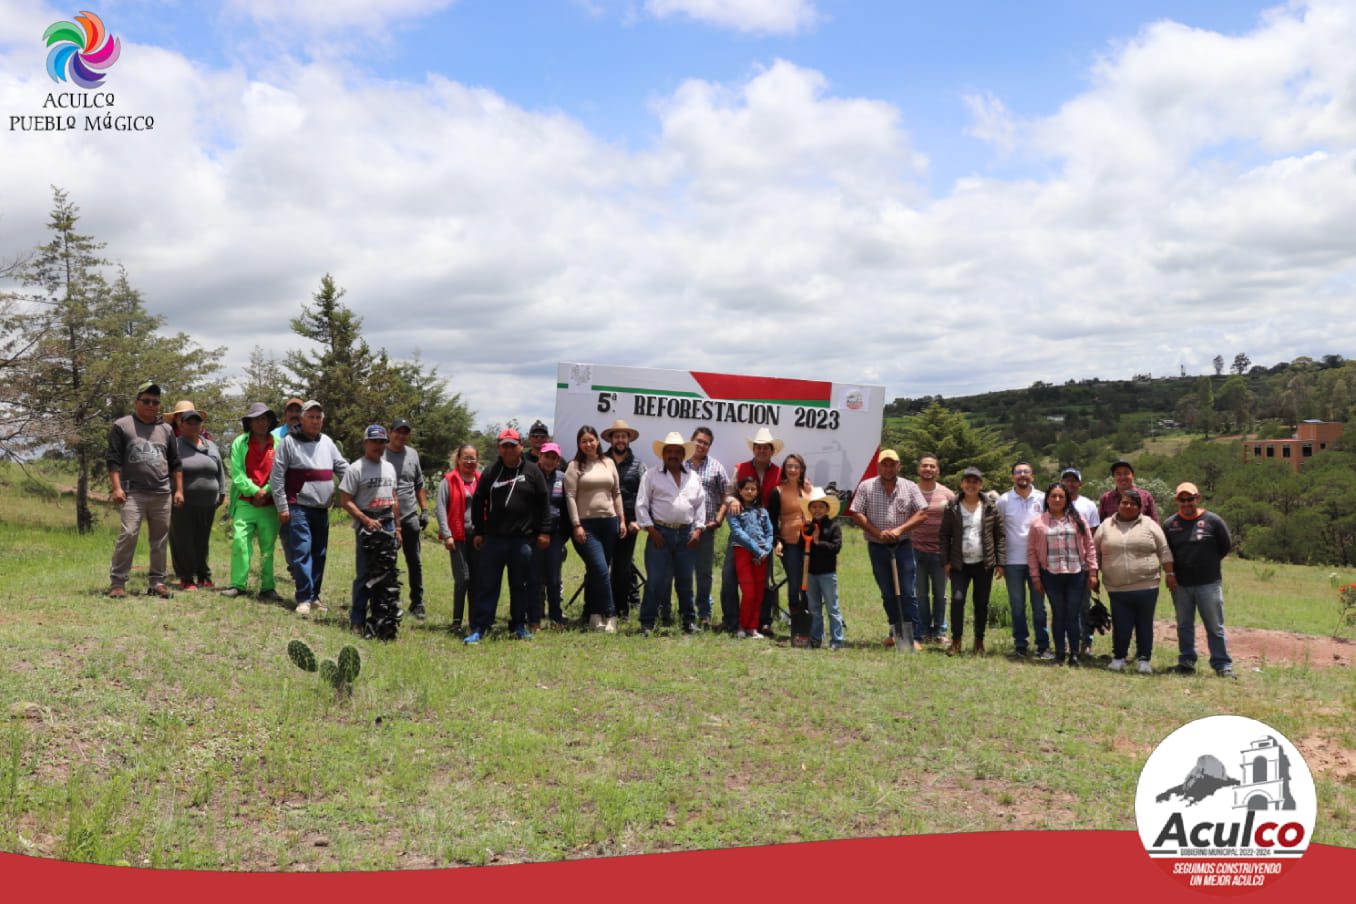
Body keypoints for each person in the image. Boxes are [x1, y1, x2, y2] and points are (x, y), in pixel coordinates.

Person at [466, 428, 550, 644]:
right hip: (494, 539)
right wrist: (479, 530)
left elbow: (543, 503)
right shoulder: (491, 471)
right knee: (488, 584)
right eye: (505, 445)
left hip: (523, 539)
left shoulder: (533, 471)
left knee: (520, 585)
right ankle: (481, 626)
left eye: (513, 445)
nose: (509, 449)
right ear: (499, 448)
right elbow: (478, 501)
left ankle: (518, 625)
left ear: (521, 446)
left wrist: (544, 531)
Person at [106, 380, 184, 598]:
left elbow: (175, 462)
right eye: (147, 401)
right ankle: (118, 583)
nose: (151, 405)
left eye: (156, 402)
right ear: (137, 402)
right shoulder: (122, 426)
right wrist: (117, 488)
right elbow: (113, 460)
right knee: (128, 534)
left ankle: (157, 581)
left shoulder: (166, 430)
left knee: (159, 538)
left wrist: (179, 490)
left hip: (161, 493)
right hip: (133, 493)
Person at [270, 400, 348, 616]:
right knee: (302, 551)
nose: (315, 421)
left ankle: (314, 597)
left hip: (322, 508)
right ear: (302, 419)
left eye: (318, 417)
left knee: (319, 553)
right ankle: (304, 597)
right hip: (298, 506)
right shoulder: (289, 442)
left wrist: (361, 482)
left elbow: (343, 467)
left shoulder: (328, 443)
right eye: (310, 417)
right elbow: (276, 477)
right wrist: (282, 506)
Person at [848, 449, 929, 650]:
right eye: (885, 464)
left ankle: (914, 637)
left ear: (898, 466)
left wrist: (899, 530)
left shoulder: (909, 487)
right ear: (879, 466)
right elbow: (856, 513)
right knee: (888, 592)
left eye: (892, 464)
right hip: (877, 546)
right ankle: (896, 632)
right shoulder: (866, 487)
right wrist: (878, 533)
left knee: (908, 591)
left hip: (903, 545)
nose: (888, 468)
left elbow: (922, 513)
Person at [1094, 489, 1174, 674]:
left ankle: (1144, 660)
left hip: (1146, 585)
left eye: (1133, 504)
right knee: (1121, 624)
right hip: (1117, 586)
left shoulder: (1150, 525)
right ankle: (1119, 657)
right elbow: (1094, 552)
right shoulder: (1106, 525)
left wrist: (1170, 574)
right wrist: (1093, 575)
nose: (1128, 506)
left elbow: (1164, 550)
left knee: (1144, 623)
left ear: (1140, 507)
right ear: (1119, 504)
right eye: (1124, 502)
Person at [1162, 482, 1234, 677]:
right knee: (1184, 625)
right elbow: (1165, 552)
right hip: (1181, 584)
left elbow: (1225, 546)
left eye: (1190, 499)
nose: (1186, 503)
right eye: (1182, 499)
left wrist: (1207, 562)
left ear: (1198, 498)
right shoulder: (1170, 524)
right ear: (1177, 501)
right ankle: (1186, 662)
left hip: (1208, 583)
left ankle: (1222, 665)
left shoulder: (1213, 521)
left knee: (1214, 625)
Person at [636, 432, 706, 635]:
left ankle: (688, 622)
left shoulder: (693, 477)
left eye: (677, 451)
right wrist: (651, 529)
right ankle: (647, 622)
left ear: (684, 454)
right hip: (660, 533)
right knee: (656, 580)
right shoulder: (651, 475)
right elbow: (641, 505)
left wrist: (699, 529)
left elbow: (699, 505)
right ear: (662, 454)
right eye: (669, 451)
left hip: (686, 535)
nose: (673, 455)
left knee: (685, 581)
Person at [1027, 483, 1099, 666]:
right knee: (1058, 613)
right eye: (1053, 496)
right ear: (1047, 499)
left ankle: (1074, 653)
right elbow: (1032, 553)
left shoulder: (1078, 519)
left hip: (1076, 573)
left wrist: (1093, 572)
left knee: (1073, 614)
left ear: (1066, 499)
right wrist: (1035, 577)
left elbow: (1090, 547)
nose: (1057, 500)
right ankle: (1060, 652)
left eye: (1061, 496)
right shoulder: (1038, 523)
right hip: (1050, 574)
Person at [339, 426, 402, 634]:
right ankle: (357, 619)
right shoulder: (356, 468)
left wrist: (398, 527)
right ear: (365, 443)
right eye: (374, 441)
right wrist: (365, 520)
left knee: (387, 573)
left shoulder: (389, 467)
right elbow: (345, 500)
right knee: (365, 574)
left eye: (382, 442)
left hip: (388, 522)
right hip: (367, 523)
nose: (378, 446)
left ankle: (381, 618)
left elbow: (394, 498)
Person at [720, 428, 783, 634]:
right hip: (741, 531)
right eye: (758, 447)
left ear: (772, 451)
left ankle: (761, 622)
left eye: (766, 448)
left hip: (766, 532)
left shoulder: (779, 472)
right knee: (729, 578)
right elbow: (728, 492)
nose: (762, 451)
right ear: (753, 449)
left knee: (761, 582)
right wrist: (732, 499)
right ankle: (731, 621)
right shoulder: (742, 468)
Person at [564, 424, 625, 632]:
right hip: (586, 526)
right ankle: (611, 614)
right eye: (584, 441)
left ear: (598, 441)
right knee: (600, 569)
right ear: (579, 445)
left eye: (591, 440)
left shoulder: (608, 463)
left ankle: (593, 615)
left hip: (609, 523)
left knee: (597, 572)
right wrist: (576, 525)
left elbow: (617, 493)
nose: (588, 444)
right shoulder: (574, 466)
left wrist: (622, 520)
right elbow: (570, 497)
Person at [938, 467, 1005, 656]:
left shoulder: (991, 506)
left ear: (981, 485)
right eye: (967, 481)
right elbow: (944, 536)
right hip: (959, 564)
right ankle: (956, 641)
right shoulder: (952, 506)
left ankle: (979, 641)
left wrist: (1000, 562)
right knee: (957, 601)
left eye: (975, 481)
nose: (971, 485)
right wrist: (946, 561)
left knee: (981, 603)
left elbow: (999, 535)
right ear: (962, 484)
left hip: (984, 564)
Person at [224, 403, 282, 601]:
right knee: (240, 541)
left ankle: (267, 587)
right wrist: (254, 491)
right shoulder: (240, 443)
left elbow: (280, 471)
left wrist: (265, 491)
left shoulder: (279, 442)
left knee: (268, 547)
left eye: (265, 418)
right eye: (257, 418)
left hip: (269, 503)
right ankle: (238, 585)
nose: (261, 422)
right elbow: (237, 473)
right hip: (245, 502)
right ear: (249, 422)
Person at [169, 406, 227, 590]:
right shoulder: (175, 445)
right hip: (183, 502)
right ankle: (186, 577)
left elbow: (220, 471)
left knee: (202, 540)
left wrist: (222, 492)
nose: (194, 426)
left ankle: (203, 574)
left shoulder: (211, 445)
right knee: (183, 539)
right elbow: (169, 470)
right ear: (181, 424)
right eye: (189, 423)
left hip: (208, 502)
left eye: (197, 422)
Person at [995, 461, 1047, 658]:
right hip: (1013, 561)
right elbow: (998, 531)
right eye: (1018, 472)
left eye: (1026, 472)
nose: (1022, 475)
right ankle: (1020, 645)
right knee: (1017, 606)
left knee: (1039, 606)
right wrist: (1000, 561)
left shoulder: (1042, 498)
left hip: (1038, 562)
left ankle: (1043, 644)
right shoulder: (1003, 500)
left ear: (1032, 476)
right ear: (1012, 477)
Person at [384, 419, 428, 619]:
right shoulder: (381, 454)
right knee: (387, 560)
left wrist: (425, 509)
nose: (401, 436)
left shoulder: (412, 454)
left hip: (410, 515)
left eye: (405, 433)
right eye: (397, 432)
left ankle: (417, 602)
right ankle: (389, 599)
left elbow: (419, 484)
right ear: (389, 432)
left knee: (414, 560)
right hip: (386, 516)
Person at [686, 427, 729, 627]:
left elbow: (726, 497)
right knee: (682, 571)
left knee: (704, 573)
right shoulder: (680, 463)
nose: (702, 446)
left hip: (706, 529)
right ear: (691, 440)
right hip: (682, 527)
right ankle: (685, 612)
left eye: (706, 443)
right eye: (699, 441)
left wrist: (719, 520)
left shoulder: (717, 468)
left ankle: (704, 614)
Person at [767, 453, 813, 642]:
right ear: (785, 470)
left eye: (796, 466)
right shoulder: (777, 491)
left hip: (811, 542)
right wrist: (777, 540)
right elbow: (772, 519)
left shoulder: (810, 489)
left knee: (809, 584)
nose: (793, 470)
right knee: (795, 582)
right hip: (789, 541)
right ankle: (796, 624)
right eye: (789, 467)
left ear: (802, 469)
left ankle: (811, 622)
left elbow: (822, 512)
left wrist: (810, 494)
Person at [435, 443, 481, 633]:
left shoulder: (481, 480)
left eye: (473, 458)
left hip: (477, 538)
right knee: (463, 579)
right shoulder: (449, 480)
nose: (470, 462)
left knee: (476, 581)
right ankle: (456, 622)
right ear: (458, 459)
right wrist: (447, 535)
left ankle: (474, 620)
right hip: (458, 537)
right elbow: (440, 509)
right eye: (466, 458)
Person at [602, 419, 645, 621]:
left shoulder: (638, 465)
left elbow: (643, 496)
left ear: (629, 439)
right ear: (611, 439)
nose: (620, 439)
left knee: (622, 568)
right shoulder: (601, 461)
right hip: (603, 521)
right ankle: (596, 609)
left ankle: (621, 611)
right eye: (616, 436)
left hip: (629, 524)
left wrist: (638, 521)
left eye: (624, 436)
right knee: (600, 566)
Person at [912, 454, 955, 643]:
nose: (928, 469)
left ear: (937, 470)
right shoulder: (910, 491)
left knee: (940, 594)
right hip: (914, 550)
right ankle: (923, 630)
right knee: (920, 593)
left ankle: (939, 631)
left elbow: (956, 523)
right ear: (918, 469)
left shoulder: (947, 494)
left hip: (940, 552)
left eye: (932, 466)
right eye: (924, 466)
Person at [727, 474, 774, 638]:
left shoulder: (763, 511)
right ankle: (741, 625)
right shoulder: (734, 509)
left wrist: (766, 549)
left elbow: (770, 532)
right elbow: (738, 533)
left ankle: (753, 627)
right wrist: (757, 550)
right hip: (743, 551)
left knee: (760, 591)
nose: (749, 491)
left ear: (758, 491)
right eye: (746, 488)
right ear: (739, 491)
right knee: (749, 592)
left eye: (753, 489)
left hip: (762, 553)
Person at [1061, 467, 1102, 654]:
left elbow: (1093, 535)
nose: (1070, 484)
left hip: (1083, 563)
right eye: (1066, 480)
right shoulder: (1056, 502)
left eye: (1073, 480)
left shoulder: (1088, 505)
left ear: (1080, 483)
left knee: (1083, 604)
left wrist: (1093, 567)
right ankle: (1070, 641)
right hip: (1061, 563)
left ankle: (1086, 642)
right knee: (1064, 605)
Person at [531, 441, 570, 629]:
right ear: (540, 456)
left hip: (556, 536)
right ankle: (535, 617)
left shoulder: (562, 478)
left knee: (554, 579)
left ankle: (556, 618)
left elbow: (567, 507)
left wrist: (563, 535)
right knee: (535, 577)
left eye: (554, 458)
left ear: (558, 460)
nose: (550, 460)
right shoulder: (530, 475)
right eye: (547, 456)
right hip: (534, 535)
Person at [800, 487, 844, 650]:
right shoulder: (807, 527)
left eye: (821, 506)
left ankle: (837, 640)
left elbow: (836, 547)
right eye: (814, 506)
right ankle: (815, 638)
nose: (817, 510)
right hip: (810, 573)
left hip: (827, 574)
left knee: (832, 607)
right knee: (814, 608)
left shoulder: (833, 526)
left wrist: (819, 542)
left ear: (827, 509)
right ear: (810, 509)